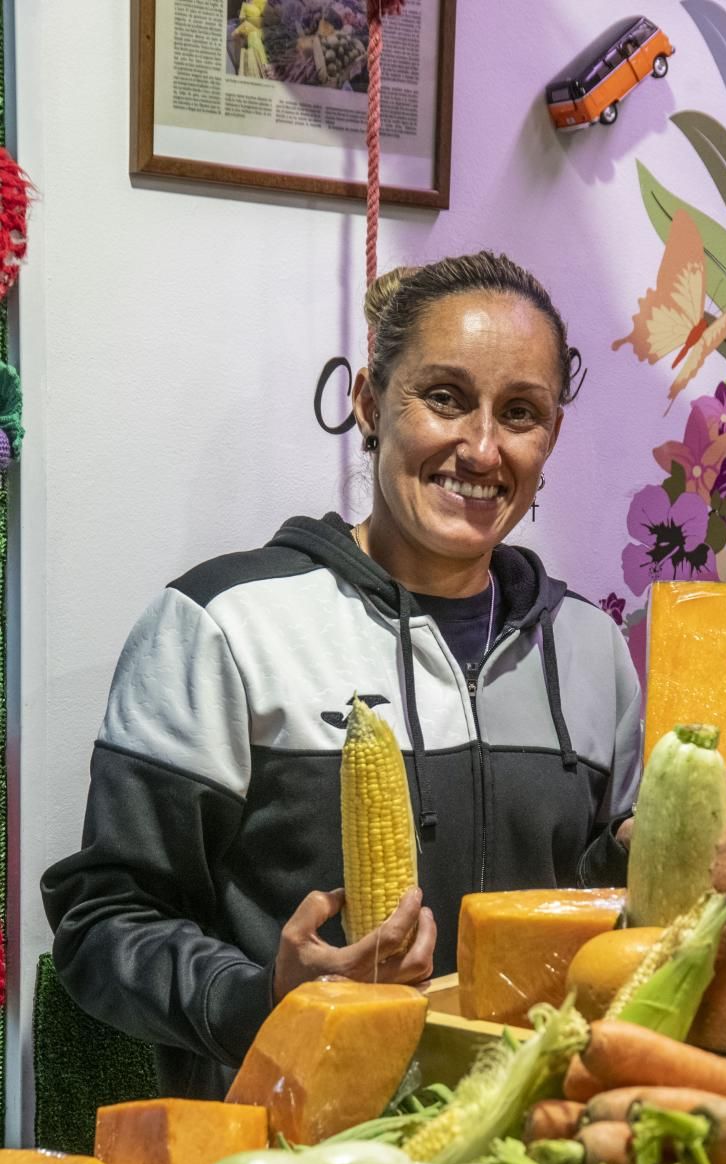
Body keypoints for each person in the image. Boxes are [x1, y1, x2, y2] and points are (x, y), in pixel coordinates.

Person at [42, 251, 643, 1099]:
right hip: (293, 1162)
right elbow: (103, 925)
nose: (479, 447)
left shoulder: (591, 649)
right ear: (369, 403)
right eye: (444, 397)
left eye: (520, 413)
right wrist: (268, 997)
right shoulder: (225, 624)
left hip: (528, 1152)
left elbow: (595, 922)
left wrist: (653, 865)